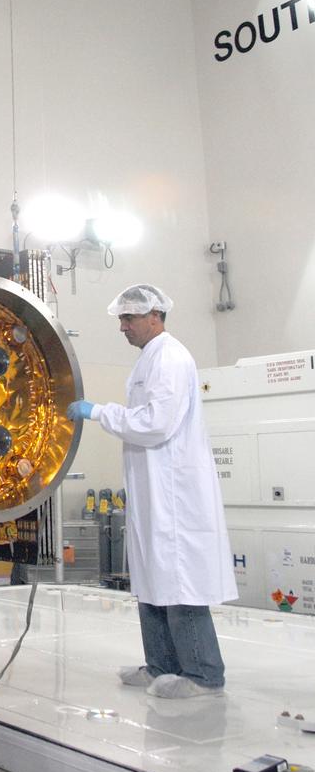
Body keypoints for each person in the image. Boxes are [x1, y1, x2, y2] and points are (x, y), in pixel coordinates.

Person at [67, 284, 236, 699]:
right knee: (152, 577)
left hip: (175, 494)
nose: (122, 327)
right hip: (153, 491)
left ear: (155, 316)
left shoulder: (171, 357)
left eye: (129, 318)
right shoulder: (150, 359)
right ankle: (161, 665)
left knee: (179, 582)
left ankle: (202, 674)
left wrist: (99, 412)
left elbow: (156, 422)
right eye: (121, 319)